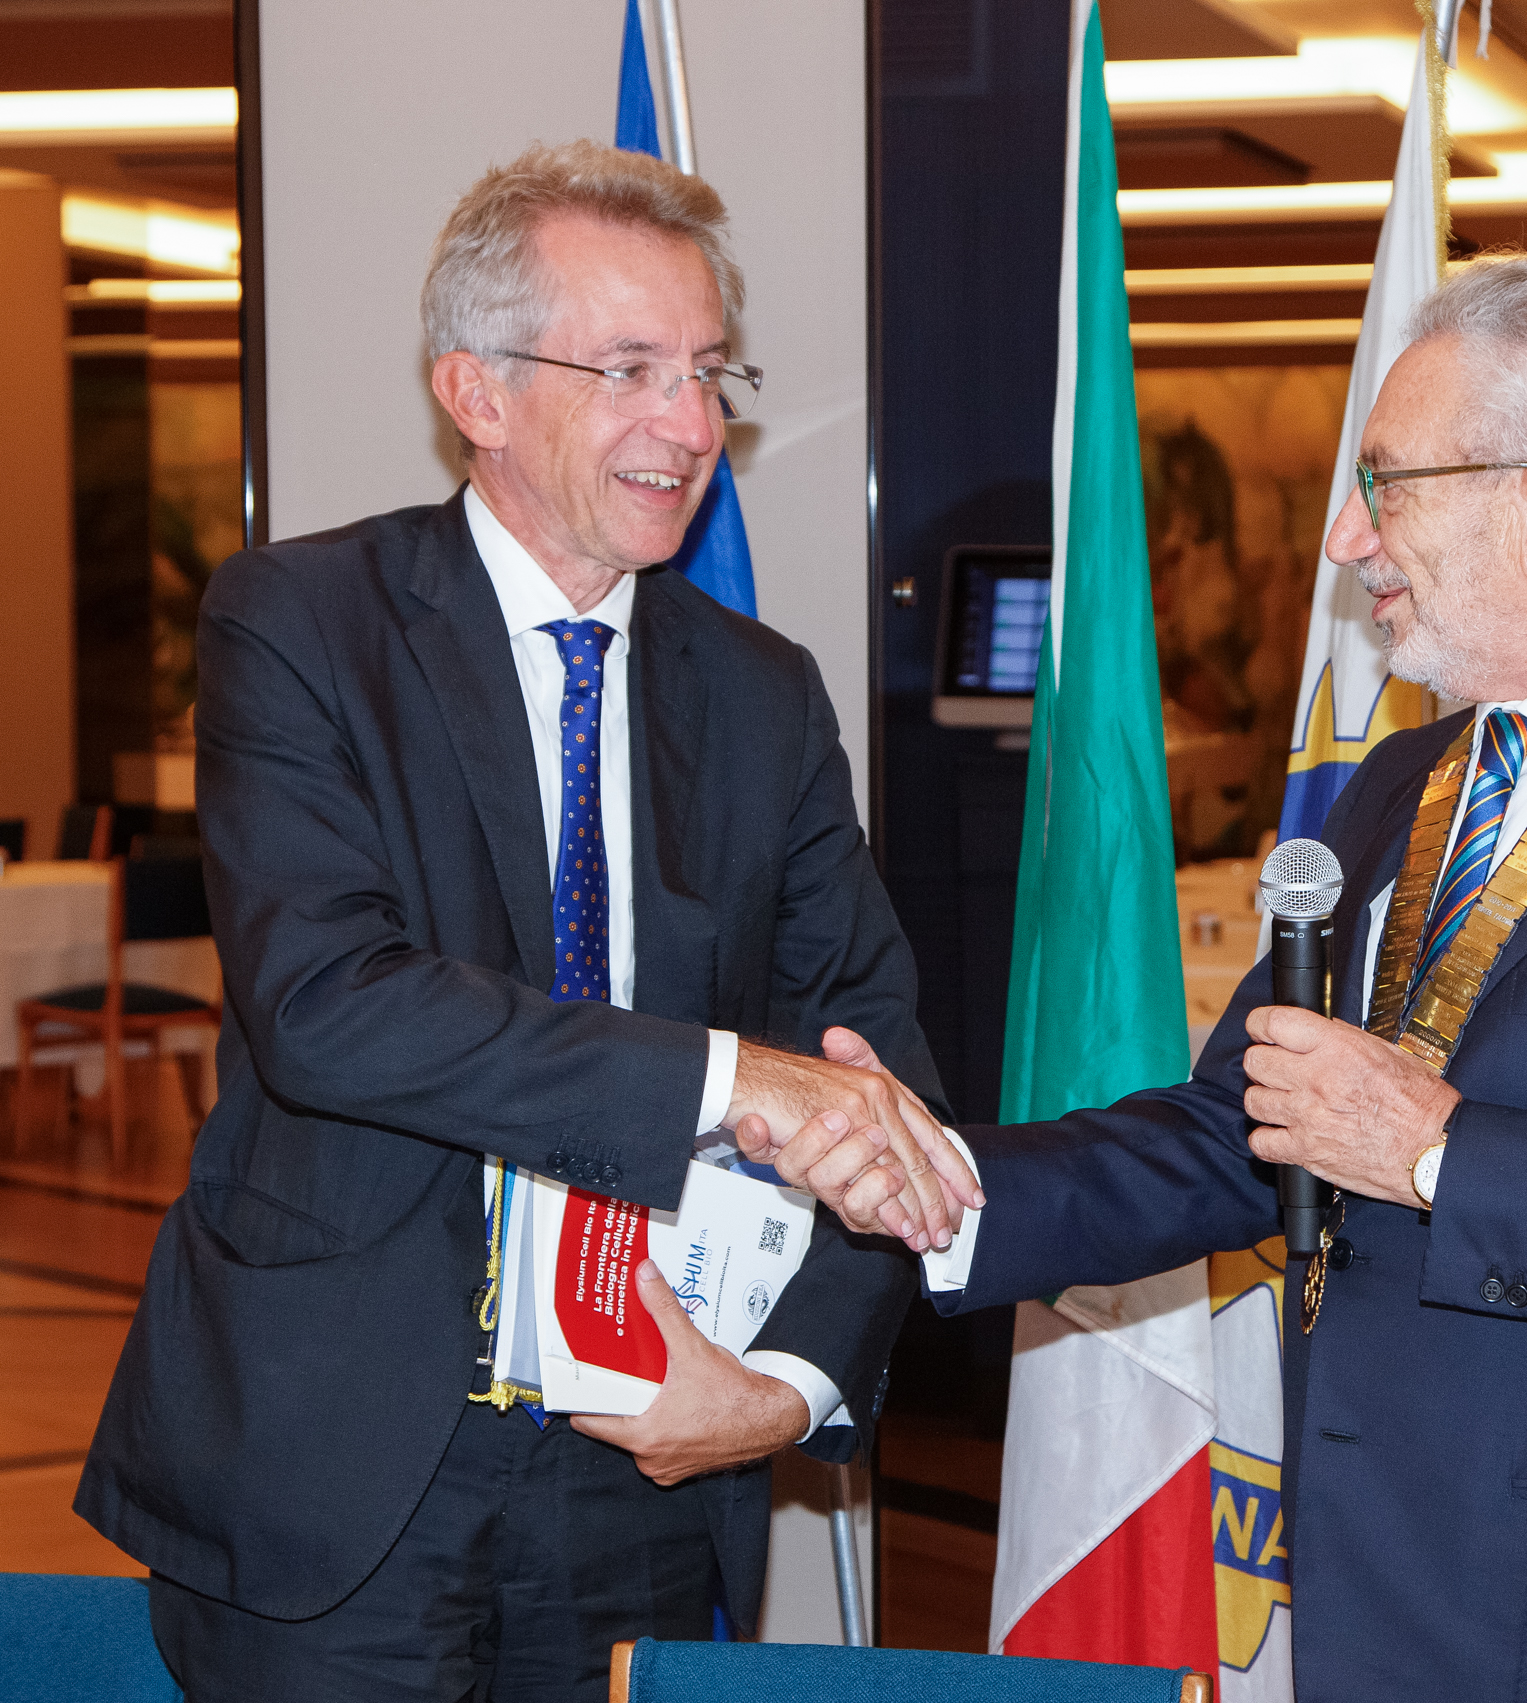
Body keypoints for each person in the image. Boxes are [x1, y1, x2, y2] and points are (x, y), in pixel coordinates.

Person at [751, 258, 1527, 1701]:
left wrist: (1440, 1149)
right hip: (1371, 1609)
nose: (1347, 539)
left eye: (1387, 485)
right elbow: (1248, 1126)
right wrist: (944, 1185)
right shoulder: (1410, 778)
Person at [76, 140, 976, 1702]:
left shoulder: (762, 699)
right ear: (476, 393)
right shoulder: (302, 627)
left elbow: (874, 1073)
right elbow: (333, 1005)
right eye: (629, 369)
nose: (692, 426)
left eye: (709, 373)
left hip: (642, 1463)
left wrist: (781, 1390)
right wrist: (730, 1079)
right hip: (340, 1462)